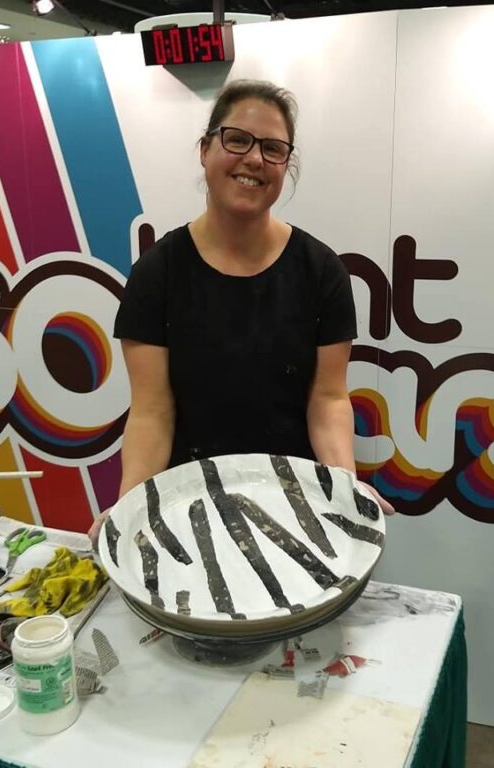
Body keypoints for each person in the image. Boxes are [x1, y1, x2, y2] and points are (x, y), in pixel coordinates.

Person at [89, 79, 392, 546]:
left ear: (286, 165)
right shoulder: (157, 273)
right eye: (237, 140)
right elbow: (152, 412)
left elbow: (328, 398)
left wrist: (343, 484)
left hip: (297, 512)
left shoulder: (321, 271)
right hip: (187, 511)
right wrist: (131, 507)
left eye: (273, 149)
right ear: (205, 150)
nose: (254, 159)